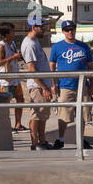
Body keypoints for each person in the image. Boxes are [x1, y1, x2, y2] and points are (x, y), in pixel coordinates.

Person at [48, 19, 93, 149]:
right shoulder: (57, 47)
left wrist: (91, 85)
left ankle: (81, 138)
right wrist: (53, 84)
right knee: (63, 115)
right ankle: (61, 139)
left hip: (82, 85)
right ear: (63, 32)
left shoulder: (84, 46)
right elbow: (52, 66)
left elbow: (90, 66)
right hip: (65, 86)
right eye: (67, 30)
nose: (70, 32)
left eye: (72, 29)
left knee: (83, 113)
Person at [20, 14, 55, 150]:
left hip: (43, 85)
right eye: (42, 27)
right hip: (37, 86)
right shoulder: (29, 44)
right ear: (34, 27)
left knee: (43, 115)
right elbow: (32, 69)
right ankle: (35, 143)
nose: (44, 29)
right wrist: (44, 88)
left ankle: (42, 140)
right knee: (36, 115)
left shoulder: (35, 42)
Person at [0, 22, 25, 131]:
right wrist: (13, 57)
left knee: (20, 99)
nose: (14, 33)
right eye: (12, 31)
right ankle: (5, 126)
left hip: (15, 78)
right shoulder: (1, 46)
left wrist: (19, 57)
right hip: (6, 80)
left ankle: (18, 124)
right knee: (5, 102)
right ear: (7, 33)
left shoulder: (12, 43)